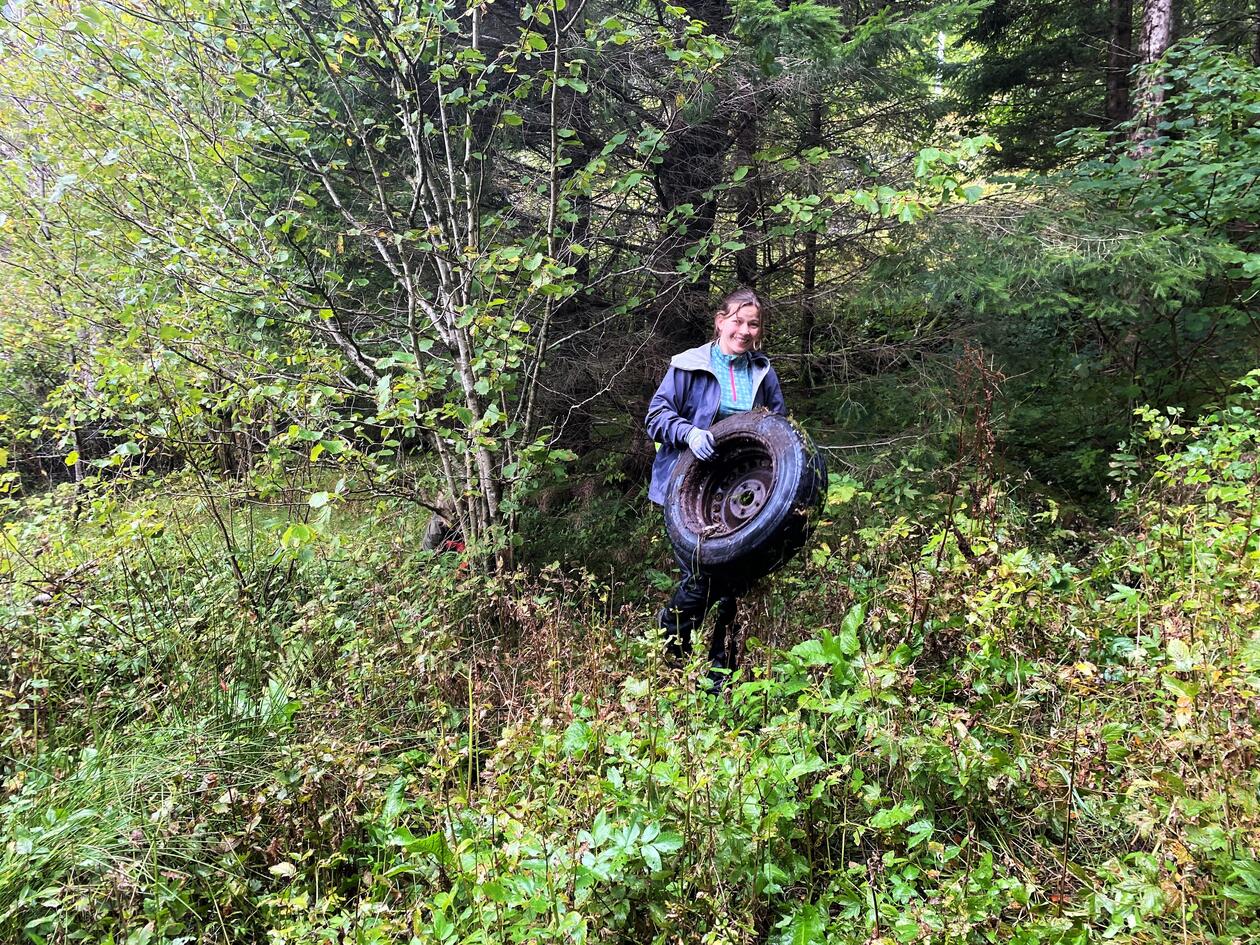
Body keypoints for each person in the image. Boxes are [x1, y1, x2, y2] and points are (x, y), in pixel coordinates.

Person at [644, 288, 787, 681]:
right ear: (720, 321)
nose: (744, 330)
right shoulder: (689, 365)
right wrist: (689, 433)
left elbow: (779, 428)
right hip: (687, 491)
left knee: (734, 583)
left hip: (740, 496)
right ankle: (672, 645)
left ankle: (720, 667)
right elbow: (656, 416)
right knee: (701, 575)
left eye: (753, 323)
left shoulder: (762, 371)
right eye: (737, 321)